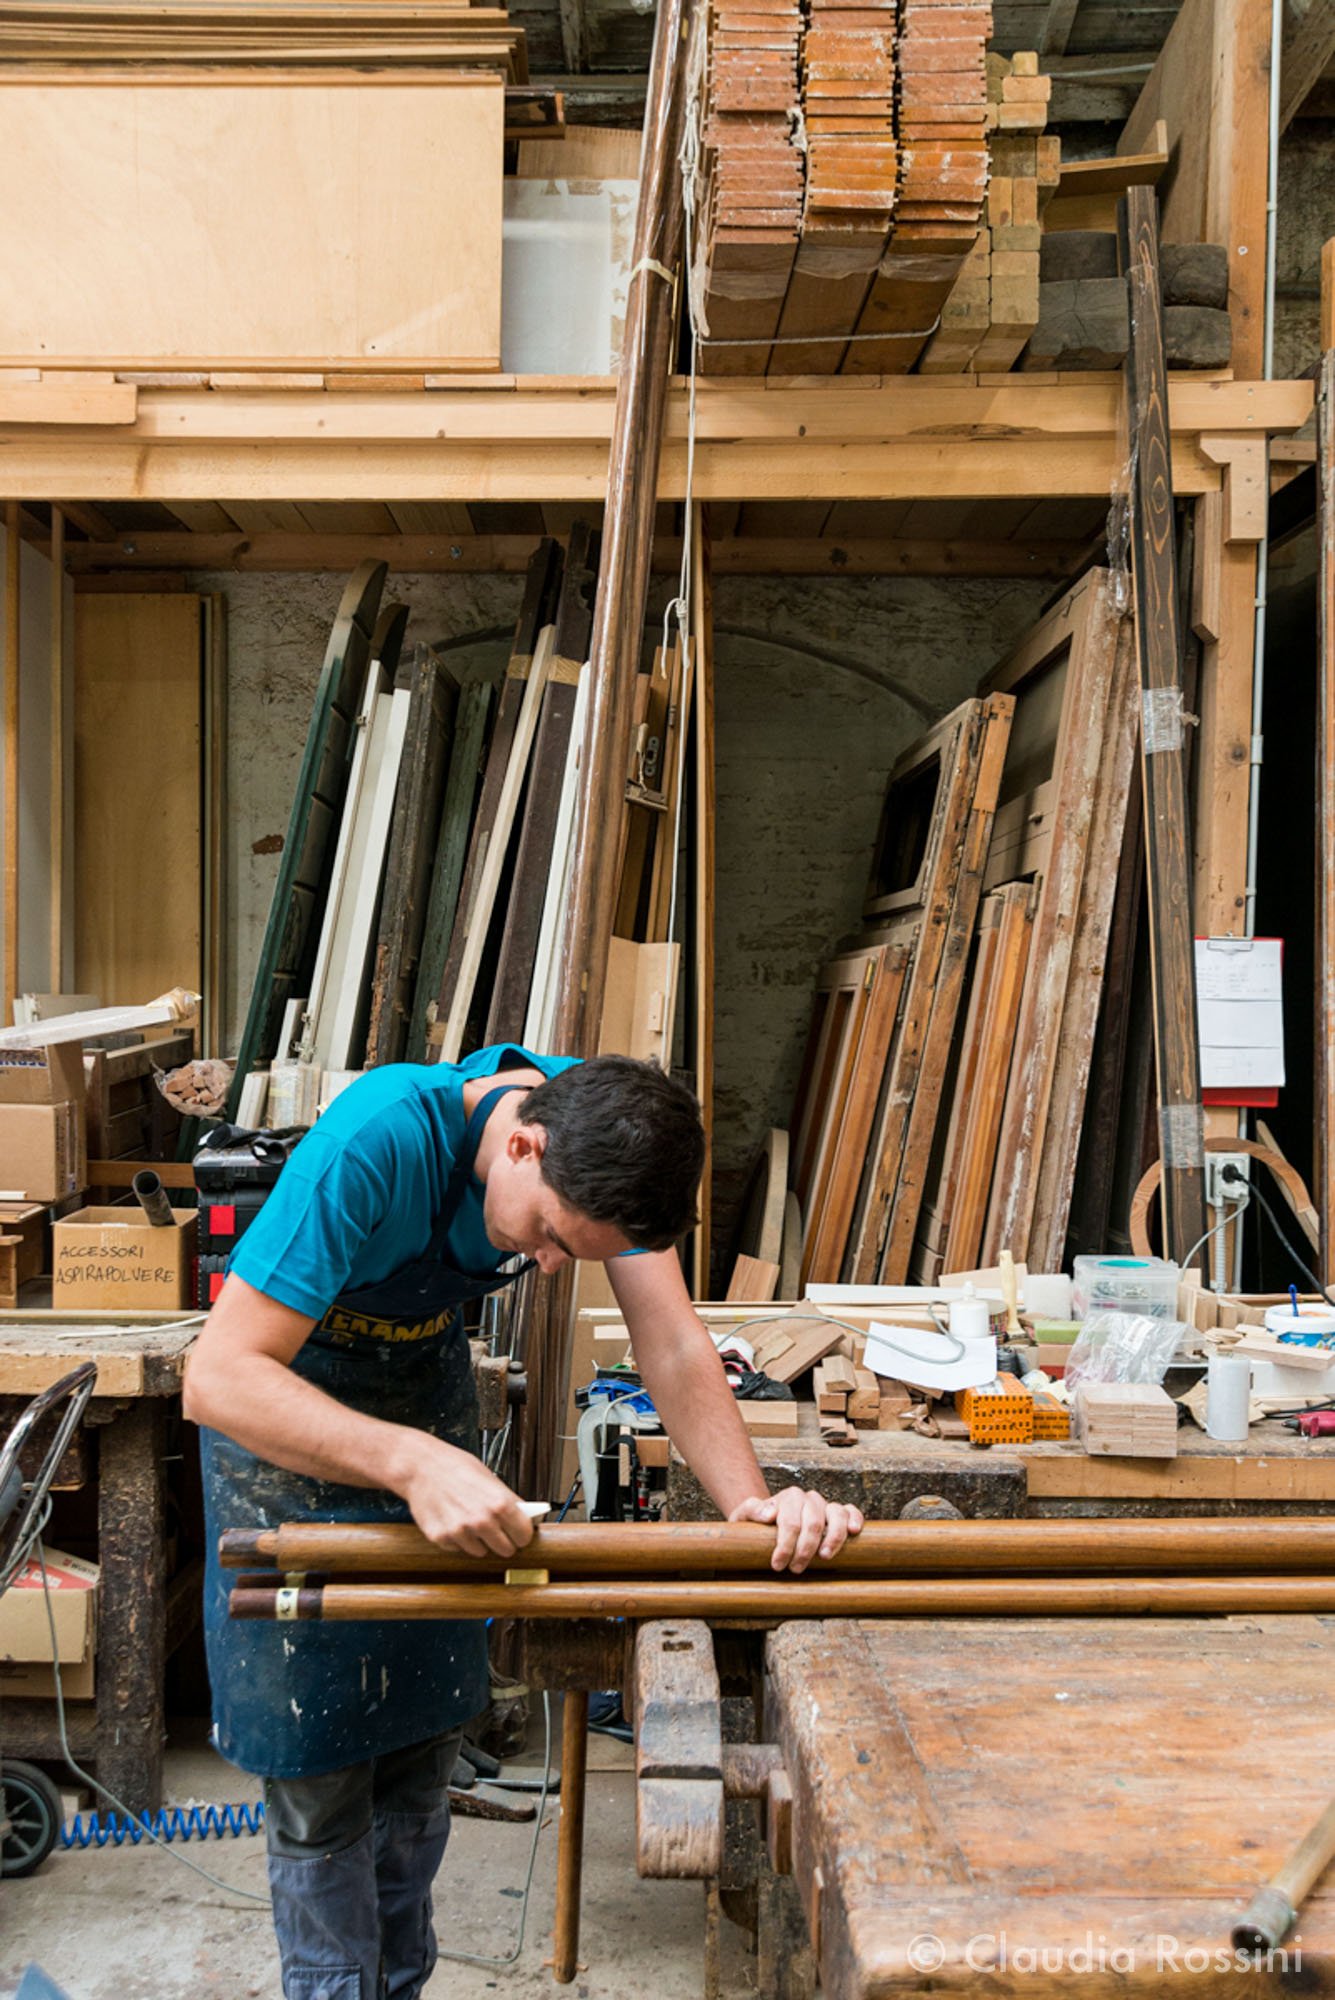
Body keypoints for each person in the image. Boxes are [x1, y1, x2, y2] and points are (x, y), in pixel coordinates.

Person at [184, 1046, 863, 2000]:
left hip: (419, 1394)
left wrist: (748, 1504)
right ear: (520, 1144)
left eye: (569, 1250)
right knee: (321, 1772)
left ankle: (401, 1985)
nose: (544, 1264)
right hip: (288, 1415)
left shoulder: (610, 1138)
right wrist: (410, 1463)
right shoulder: (375, 1142)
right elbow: (217, 1378)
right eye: (546, 1235)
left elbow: (669, 1342)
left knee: (422, 1749)